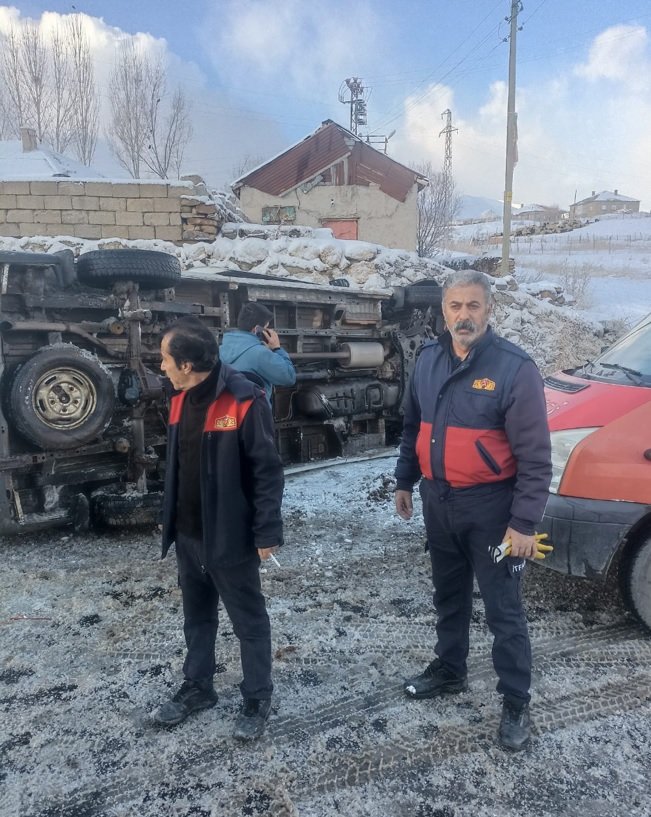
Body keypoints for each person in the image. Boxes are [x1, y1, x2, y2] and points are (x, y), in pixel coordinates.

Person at [394, 270, 551, 752]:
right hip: (438, 502)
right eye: (455, 306)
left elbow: (535, 456)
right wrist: (405, 479)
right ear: (443, 311)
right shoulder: (427, 359)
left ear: (489, 310)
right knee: (449, 594)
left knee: (503, 609)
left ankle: (515, 700)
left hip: (491, 508)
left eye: (473, 306)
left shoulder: (514, 368)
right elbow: (411, 425)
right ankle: (450, 668)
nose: (463, 315)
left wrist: (523, 523)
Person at [153, 316, 284, 741]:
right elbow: (179, 463)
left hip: (231, 537)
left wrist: (267, 531)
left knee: (249, 621)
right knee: (198, 617)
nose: (162, 368)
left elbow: (267, 471)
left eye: (165, 359)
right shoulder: (178, 399)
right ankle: (199, 686)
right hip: (189, 535)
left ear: (187, 364)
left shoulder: (245, 400)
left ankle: (256, 696)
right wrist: (169, 518)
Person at [220, 302, 296, 404]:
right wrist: (277, 349)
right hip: (254, 415)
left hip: (228, 415)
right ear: (257, 330)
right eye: (266, 328)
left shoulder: (219, 350)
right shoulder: (260, 354)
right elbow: (288, 377)